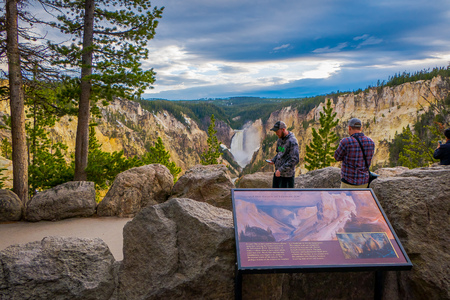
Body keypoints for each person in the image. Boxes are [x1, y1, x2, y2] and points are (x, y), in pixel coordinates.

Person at [334, 118, 375, 188]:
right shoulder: (370, 142)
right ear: (361, 128)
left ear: (349, 128)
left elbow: (337, 157)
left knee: (345, 199)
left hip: (347, 182)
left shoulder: (346, 141)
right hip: (364, 182)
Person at [266, 121, 299, 188]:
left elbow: (294, 159)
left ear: (283, 130)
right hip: (278, 174)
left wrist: (281, 169)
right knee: (275, 195)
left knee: (286, 197)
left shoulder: (292, 141)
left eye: (277, 132)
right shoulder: (280, 139)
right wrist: (274, 160)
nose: (276, 134)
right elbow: (279, 153)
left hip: (287, 177)